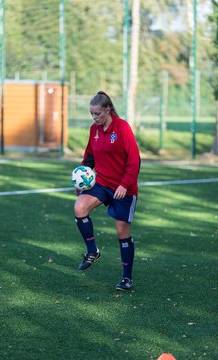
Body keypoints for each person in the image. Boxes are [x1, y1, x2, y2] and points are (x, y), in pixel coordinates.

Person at [73, 91, 141, 291]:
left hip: (123, 187)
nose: (94, 118)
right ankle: (92, 251)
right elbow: (89, 159)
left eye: (97, 113)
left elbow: (134, 159)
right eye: (92, 114)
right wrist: (81, 182)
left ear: (108, 109)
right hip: (101, 183)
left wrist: (125, 184)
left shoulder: (122, 128)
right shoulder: (94, 130)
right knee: (80, 208)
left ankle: (126, 279)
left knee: (122, 232)